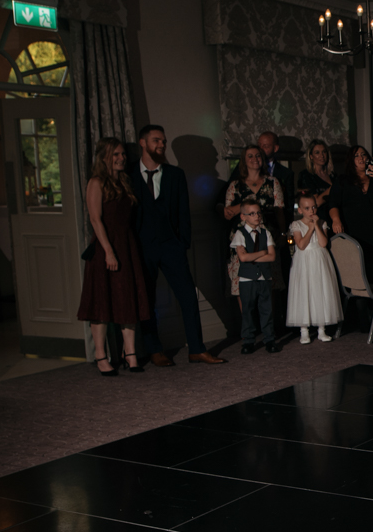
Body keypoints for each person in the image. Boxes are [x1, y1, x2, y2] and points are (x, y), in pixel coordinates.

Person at [129, 125, 224, 366]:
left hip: (172, 245)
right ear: (143, 143)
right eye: (156, 140)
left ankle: (197, 349)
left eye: (163, 141)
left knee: (188, 297)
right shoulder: (128, 176)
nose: (161, 144)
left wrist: (182, 243)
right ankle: (154, 349)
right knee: (147, 299)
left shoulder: (175, 175)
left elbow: (184, 213)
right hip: (142, 248)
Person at [77, 138, 152, 375]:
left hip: (127, 245)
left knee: (127, 298)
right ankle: (101, 356)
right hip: (105, 247)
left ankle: (130, 354)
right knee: (102, 302)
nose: (121, 158)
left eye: (122, 154)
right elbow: (95, 220)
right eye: (115, 155)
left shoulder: (124, 181)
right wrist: (109, 251)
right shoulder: (96, 182)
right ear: (104, 157)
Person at [223, 145, 285, 298]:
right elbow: (228, 213)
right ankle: (248, 321)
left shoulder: (273, 182)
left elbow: (279, 210)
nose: (254, 159)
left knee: (269, 286)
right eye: (250, 156)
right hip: (243, 238)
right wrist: (242, 207)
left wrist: (283, 234)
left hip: (268, 236)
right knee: (243, 288)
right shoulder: (235, 185)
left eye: (258, 155)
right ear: (244, 160)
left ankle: (267, 321)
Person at [328, 145, 373, 285]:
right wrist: (336, 220)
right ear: (351, 160)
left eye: (363, 155)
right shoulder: (343, 180)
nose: (361, 158)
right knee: (358, 279)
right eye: (356, 155)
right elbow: (333, 203)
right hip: (355, 234)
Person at [286, 190, 341, 344]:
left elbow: (323, 244)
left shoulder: (322, 223)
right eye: (307, 208)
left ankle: (321, 329)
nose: (311, 211)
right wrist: (310, 228)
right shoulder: (296, 224)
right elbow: (302, 245)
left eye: (314, 207)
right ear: (300, 210)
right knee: (305, 292)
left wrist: (316, 225)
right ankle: (304, 330)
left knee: (320, 290)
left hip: (319, 259)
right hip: (303, 261)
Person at [231, 201, 283, 354]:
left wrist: (252, 256)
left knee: (266, 309)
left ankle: (269, 339)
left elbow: (272, 256)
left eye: (258, 213)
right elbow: (243, 258)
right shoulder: (240, 233)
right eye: (252, 213)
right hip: (247, 279)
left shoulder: (265, 233)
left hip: (264, 278)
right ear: (243, 216)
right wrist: (261, 253)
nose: (257, 216)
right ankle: (248, 340)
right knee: (247, 310)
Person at [256, 131, 296, 214]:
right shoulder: (245, 167)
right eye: (259, 145)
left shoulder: (286, 174)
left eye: (265, 146)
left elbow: (289, 205)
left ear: (275, 148)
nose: (260, 149)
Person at [299, 138, 334, 207]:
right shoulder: (306, 175)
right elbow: (315, 203)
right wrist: (333, 188)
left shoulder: (333, 176)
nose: (322, 155)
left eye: (324, 152)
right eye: (317, 152)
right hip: (318, 216)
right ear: (311, 156)